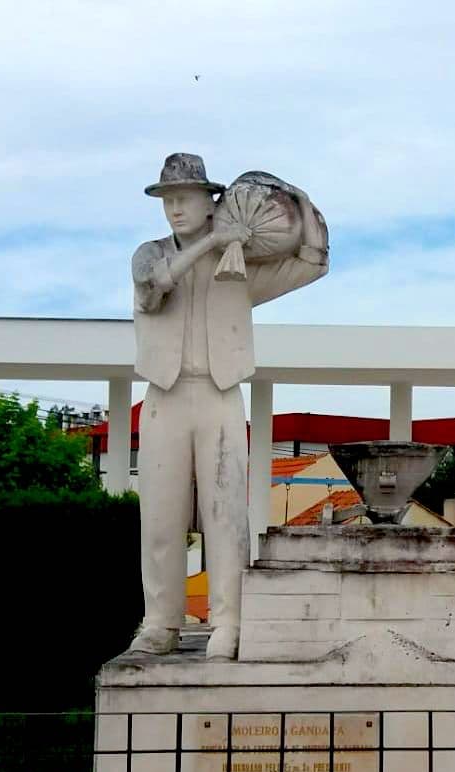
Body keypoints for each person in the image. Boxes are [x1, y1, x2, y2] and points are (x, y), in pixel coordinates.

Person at [127, 152, 328, 658]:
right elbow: (155, 290)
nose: (175, 209)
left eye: (185, 200)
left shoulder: (237, 266)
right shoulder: (149, 254)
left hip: (219, 394)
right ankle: (159, 623)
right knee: (160, 516)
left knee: (224, 514)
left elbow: (310, 264)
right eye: (168, 201)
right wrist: (214, 242)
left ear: (210, 203)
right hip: (164, 396)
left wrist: (300, 205)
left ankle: (229, 624)